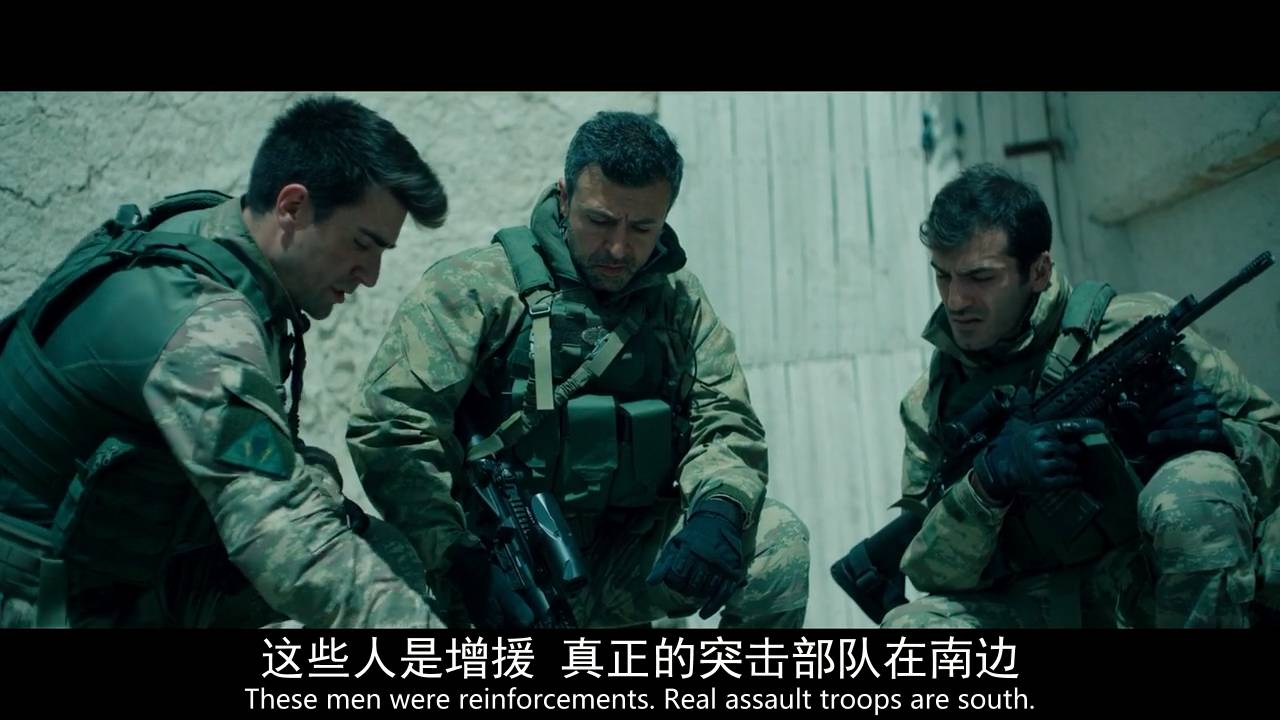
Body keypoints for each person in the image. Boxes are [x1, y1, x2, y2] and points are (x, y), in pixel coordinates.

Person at [347, 110, 810, 629]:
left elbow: (726, 421)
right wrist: (456, 556)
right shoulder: (476, 287)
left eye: (643, 228)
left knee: (778, 542)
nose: (618, 247)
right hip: (492, 566)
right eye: (600, 221)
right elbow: (392, 426)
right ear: (564, 198)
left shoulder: (677, 301)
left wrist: (719, 508)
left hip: (625, 560)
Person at [0, 95, 448, 628]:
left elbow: (256, 453)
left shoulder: (212, 235)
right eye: (362, 244)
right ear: (292, 207)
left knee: (373, 546)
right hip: (37, 594)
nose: (370, 276)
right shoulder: (200, 326)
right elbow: (287, 536)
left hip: (113, 559)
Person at [840, 163, 1280, 628]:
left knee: (1197, 485)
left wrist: (1227, 440)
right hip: (1036, 606)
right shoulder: (933, 403)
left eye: (980, 278)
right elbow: (930, 572)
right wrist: (986, 486)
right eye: (943, 277)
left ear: (1038, 271)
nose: (955, 301)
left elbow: (1271, 440)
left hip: (1152, 586)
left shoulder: (1132, 329)